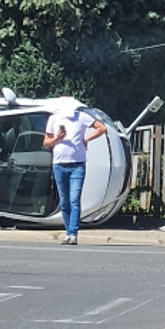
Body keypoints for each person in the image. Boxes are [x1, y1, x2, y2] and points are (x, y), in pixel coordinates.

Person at [43, 103, 107, 245]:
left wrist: (86, 139)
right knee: (64, 201)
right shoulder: (54, 119)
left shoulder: (82, 117)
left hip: (77, 164)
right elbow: (46, 142)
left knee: (74, 199)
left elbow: (102, 128)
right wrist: (57, 138)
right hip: (59, 165)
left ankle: (73, 233)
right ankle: (68, 232)